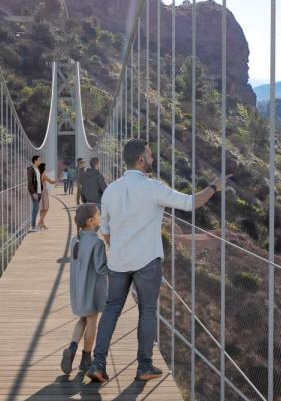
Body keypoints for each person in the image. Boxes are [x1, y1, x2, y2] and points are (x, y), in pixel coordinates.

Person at [87, 139, 223, 383]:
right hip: (147, 261)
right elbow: (190, 202)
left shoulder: (110, 190)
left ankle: (97, 364)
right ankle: (144, 367)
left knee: (111, 310)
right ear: (140, 160)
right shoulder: (153, 188)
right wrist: (214, 187)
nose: (152, 159)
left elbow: (105, 231)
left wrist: (118, 247)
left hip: (118, 260)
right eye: (149, 156)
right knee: (147, 310)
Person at [60, 203, 108, 375]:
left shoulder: (75, 240)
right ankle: (86, 358)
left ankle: (72, 347)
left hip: (78, 290)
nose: (100, 218)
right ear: (90, 220)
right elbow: (101, 268)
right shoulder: (97, 243)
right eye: (98, 215)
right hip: (91, 291)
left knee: (82, 319)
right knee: (92, 322)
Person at [36, 162, 59, 230]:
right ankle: (39, 222)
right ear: (43, 168)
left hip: (39, 192)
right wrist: (58, 179)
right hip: (43, 193)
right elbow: (51, 182)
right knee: (46, 208)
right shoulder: (43, 175)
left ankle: (42, 225)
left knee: (42, 208)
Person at [27, 155, 42, 232]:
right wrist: (33, 193)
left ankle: (34, 225)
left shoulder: (38, 169)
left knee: (36, 209)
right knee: (34, 209)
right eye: (39, 160)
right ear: (35, 161)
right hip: (35, 193)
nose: (40, 161)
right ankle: (33, 226)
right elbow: (30, 183)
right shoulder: (30, 169)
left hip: (39, 192)